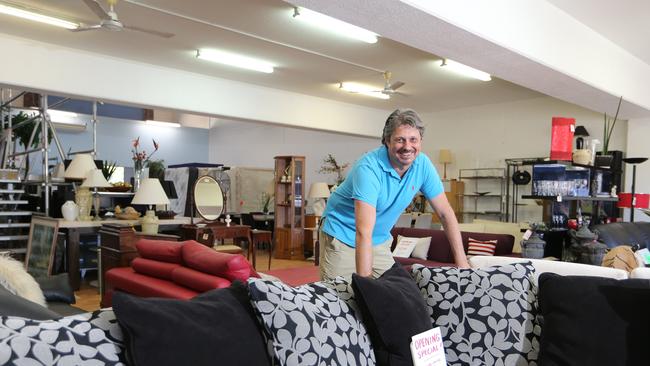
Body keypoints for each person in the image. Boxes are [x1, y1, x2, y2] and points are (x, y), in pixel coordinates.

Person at [319, 108, 469, 281]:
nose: (407, 147)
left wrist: (462, 266)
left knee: (396, 293)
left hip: (379, 240)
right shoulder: (368, 168)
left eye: (413, 140)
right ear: (387, 141)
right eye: (400, 140)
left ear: (420, 141)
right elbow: (363, 231)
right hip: (343, 234)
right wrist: (366, 287)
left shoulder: (423, 165)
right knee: (342, 298)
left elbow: (445, 213)